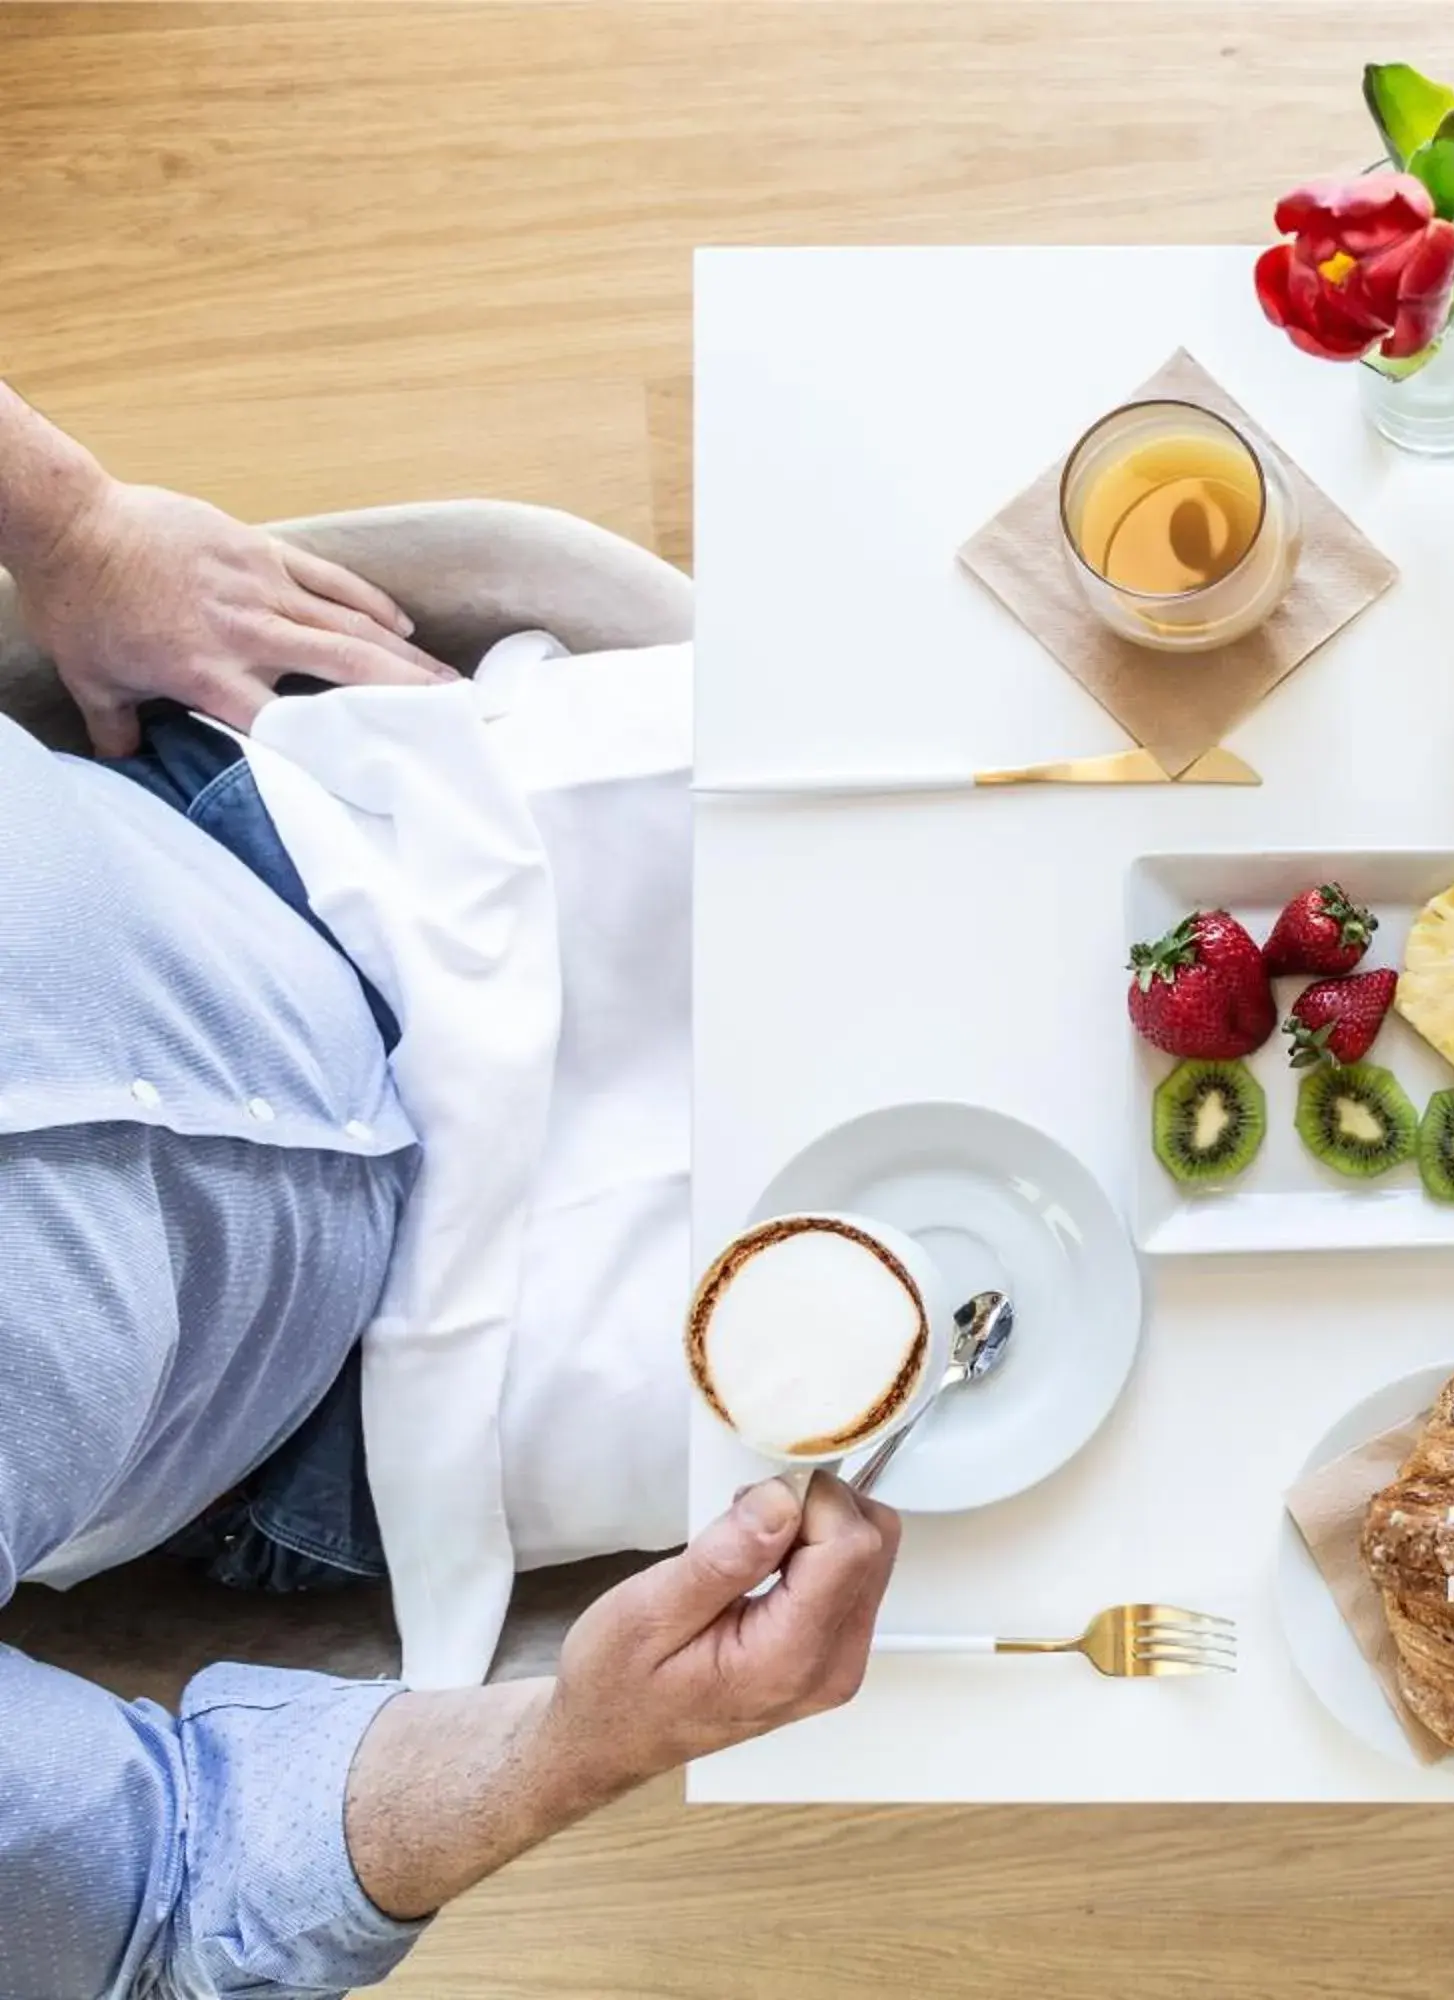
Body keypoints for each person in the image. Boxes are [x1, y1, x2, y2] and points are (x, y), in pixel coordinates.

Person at [0, 378, 899, 1997]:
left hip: (309, 838)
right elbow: (167, 1881)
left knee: (950, 827)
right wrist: (571, 1745)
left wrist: (59, 515)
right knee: (998, 1345)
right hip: (334, 1423)